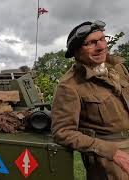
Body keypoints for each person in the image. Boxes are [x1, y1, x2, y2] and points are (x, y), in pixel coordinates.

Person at [51, 20, 129, 180]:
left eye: (102, 39)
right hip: (109, 160)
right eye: (91, 43)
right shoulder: (70, 85)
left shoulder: (117, 67)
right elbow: (62, 132)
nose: (101, 46)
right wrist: (112, 152)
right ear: (77, 52)